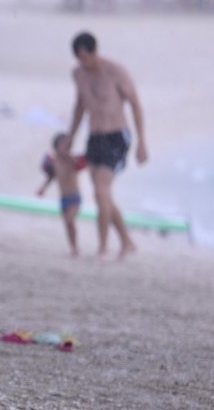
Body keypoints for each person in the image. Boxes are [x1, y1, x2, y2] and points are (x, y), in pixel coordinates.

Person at [63, 31, 148, 260]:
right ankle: (127, 242)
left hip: (117, 137)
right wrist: (70, 136)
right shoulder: (78, 74)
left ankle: (103, 248)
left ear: (93, 52)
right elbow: (80, 106)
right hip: (95, 138)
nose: (83, 62)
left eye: (85, 57)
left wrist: (142, 143)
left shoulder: (115, 72)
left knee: (101, 190)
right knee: (103, 195)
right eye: (78, 58)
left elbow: (136, 106)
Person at [37, 133, 88, 258]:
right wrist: (43, 188)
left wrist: (70, 156)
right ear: (56, 147)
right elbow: (51, 177)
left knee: (70, 220)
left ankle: (76, 248)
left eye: (68, 146)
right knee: (68, 224)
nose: (66, 148)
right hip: (63, 199)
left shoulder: (71, 160)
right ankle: (73, 247)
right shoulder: (55, 163)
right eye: (63, 146)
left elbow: (81, 164)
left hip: (75, 197)